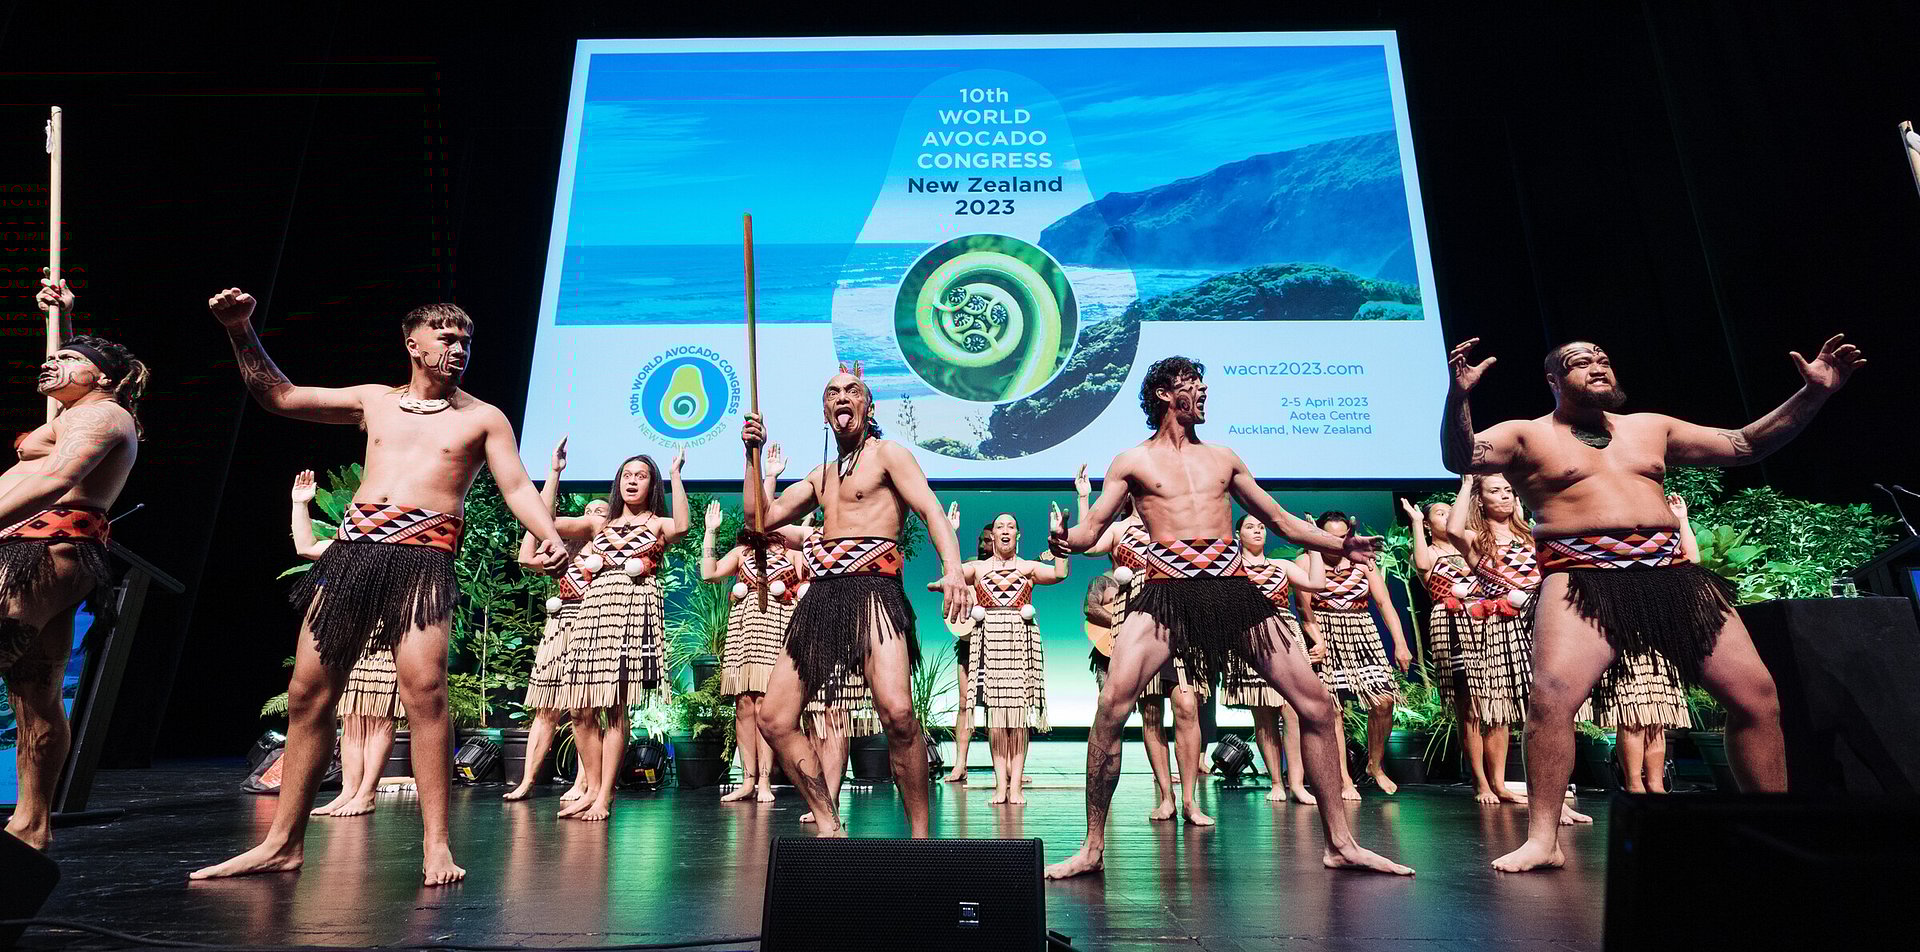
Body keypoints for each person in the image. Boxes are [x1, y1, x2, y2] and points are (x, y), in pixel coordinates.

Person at [1442, 335, 1863, 871]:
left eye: (1602, 358)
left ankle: (1772, 825)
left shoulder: (1650, 427)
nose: (1597, 366)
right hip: (1582, 578)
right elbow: (1461, 457)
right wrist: (1459, 398)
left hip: (1672, 576)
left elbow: (1743, 445)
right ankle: (1543, 839)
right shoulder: (1525, 434)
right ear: (1553, 381)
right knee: (1551, 700)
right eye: (1579, 362)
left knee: (1757, 697)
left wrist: (1814, 393)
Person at [194, 289, 567, 886]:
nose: (459, 350)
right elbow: (279, 396)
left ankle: (437, 846)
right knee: (307, 694)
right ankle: (283, 842)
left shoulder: (483, 417)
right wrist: (241, 329)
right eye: (447, 339)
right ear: (413, 344)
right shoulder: (374, 400)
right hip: (353, 557)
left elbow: (517, 486)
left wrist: (547, 533)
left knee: (426, 694)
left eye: (466, 342)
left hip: (422, 561)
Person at [1045, 356, 1412, 878]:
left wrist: (1340, 545)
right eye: (1194, 385)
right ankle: (1092, 848)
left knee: (1315, 703)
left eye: (1203, 385)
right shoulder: (1132, 462)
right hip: (1166, 594)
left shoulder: (1224, 458)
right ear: (1165, 395)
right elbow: (1092, 531)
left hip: (1234, 591)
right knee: (1110, 707)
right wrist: (1067, 539)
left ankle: (1340, 843)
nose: (1204, 393)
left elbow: (1280, 520)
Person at [738, 364, 971, 838]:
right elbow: (758, 519)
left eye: (851, 390)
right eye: (832, 392)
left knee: (899, 714)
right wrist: (751, 456)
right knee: (775, 717)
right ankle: (828, 821)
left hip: (874, 592)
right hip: (823, 598)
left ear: (869, 405)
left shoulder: (889, 455)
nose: (841, 397)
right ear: (825, 412)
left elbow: (930, 509)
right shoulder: (821, 476)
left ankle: (921, 840)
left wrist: (953, 570)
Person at [1, 274, 145, 851]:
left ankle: (31, 823)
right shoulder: (78, 415)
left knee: (30, 685)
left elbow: (58, 479)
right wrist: (59, 319)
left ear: (103, 377)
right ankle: (30, 826)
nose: (51, 363)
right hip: (40, 552)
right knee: (34, 691)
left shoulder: (102, 416)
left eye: (66, 359)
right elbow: (51, 430)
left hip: (43, 553)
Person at [555, 451, 688, 821]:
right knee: (580, 707)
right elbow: (547, 522)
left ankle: (604, 796)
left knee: (615, 706)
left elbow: (682, 526)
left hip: (632, 608)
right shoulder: (600, 523)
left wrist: (676, 475)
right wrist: (554, 472)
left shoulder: (658, 523)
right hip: (594, 609)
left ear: (652, 484)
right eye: (626, 474)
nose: (632, 480)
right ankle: (591, 788)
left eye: (641, 475)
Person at [1082, 473, 1210, 824]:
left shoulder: (1175, 524)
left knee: (1187, 705)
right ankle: (1167, 797)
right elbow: (1088, 544)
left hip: (1177, 612)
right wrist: (1084, 498)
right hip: (1134, 615)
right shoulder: (1119, 530)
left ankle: (1190, 800)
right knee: (1151, 712)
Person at [287, 470, 402, 819]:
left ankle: (367, 793)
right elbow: (305, 547)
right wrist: (300, 504)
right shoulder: (342, 550)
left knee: (378, 718)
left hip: (383, 641)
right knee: (351, 719)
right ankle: (347, 791)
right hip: (351, 643)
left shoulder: (398, 549)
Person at [504, 437, 612, 805]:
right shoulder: (561, 555)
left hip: (595, 626)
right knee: (545, 707)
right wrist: (553, 474)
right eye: (589, 509)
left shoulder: (610, 553)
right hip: (559, 627)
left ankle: (585, 783)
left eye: (601, 511)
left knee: (587, 708)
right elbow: (529, 550)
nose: (593, 515)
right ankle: (526, 781)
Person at [703, 444, 808, 803]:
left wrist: (771, 477)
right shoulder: (742, 554)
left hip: (779, 629)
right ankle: (747, 780)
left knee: (765, 703)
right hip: (744, 631)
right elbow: (709, 573)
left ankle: (765, 780)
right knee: (744, 704)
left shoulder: (793, 554)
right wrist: (711, 533)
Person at [1298, 510, 1413, 797]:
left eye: (1342, 537)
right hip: (1325, 632)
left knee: (1384, 700)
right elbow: (1304, 608)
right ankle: (1344, 779)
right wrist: (1317, 640)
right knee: (1333, 709)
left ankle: (1375, 765)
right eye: (1330, 537)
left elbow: (1384, 603)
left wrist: (1400, 643)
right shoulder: (1306, 561)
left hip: (1362, 633)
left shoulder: (1364, 561)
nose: (1336, 543)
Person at [955, 508, 1064, 805]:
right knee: (996, 718)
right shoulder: (978, 569)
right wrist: (952, 535)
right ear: (992, 535)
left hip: (1020, 642)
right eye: (1000, 526)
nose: (1005, 530)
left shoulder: (1028, 568)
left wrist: (1059, 539)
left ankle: (1015, 786)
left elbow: (1060, 573)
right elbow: (952, 574)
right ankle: (1000, 785)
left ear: (1018, 535)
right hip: (990, 642)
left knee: (1016, 718)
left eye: (1010, 526)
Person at [1593, 493, 1700, 794]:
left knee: (1657, 718)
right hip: (1626, 632)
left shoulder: (1661, 540)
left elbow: (1692, 560)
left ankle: (1655, 784)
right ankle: (1633, 784)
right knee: (1633, 715)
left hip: (1660, 635)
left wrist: (1681, 520)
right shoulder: (1612, 538)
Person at [1219, 513, 1326, 804]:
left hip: (1284, 632)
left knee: (1293, 710)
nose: (1257, 531)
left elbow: (1316, 582)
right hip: (1247, 633)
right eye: (1250, 527)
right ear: (1238, 534)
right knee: (1264, 712)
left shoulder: (1282, 566)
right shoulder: (1230, 567)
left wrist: (1313, 542)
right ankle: (1276, 782)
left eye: (1261, 527)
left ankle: (1298, 784)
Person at [1402, 486, 1494, 801]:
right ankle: (1480, 781)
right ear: (1429, 524)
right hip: (1453, 626)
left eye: (1452, 511)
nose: (1448, 515)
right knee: (1470, 707)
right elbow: (1422, 565)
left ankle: (1498, 780)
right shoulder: (1429, 553)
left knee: (1494, 706)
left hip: (1487, 623)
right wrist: (1416, 522)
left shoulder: (1474, 546)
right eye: (1440, 513)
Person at [1447, 475, 1534, 804]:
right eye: (1495, 491)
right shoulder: (1475, 539)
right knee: (1500, 707)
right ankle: (1497, 784)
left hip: (1539, 618)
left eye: (1508, 490)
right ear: (1480, 500)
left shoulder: (1530, 534)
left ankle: (1543, 785)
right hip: (1502, 626)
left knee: (1543, 707)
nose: (1504, 496)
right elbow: (1453, 529)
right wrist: (1467, 484)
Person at [941, 523, 989, 784]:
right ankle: (960, 764)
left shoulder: (1009, 568)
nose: (983, 545)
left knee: (1003, 705)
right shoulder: (969, 566)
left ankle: (1010, 768)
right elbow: (950, 578)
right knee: (964, 703)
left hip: (998, 642)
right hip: (969, 642)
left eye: (988, 540)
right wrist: (953, 532)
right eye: (981, 540)